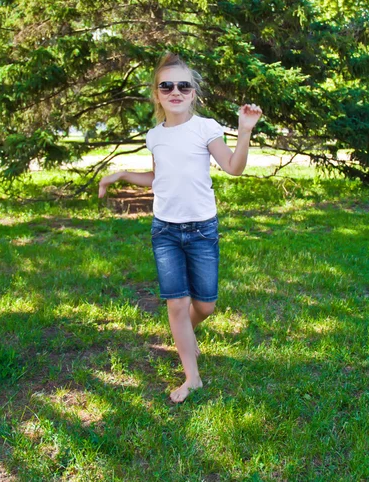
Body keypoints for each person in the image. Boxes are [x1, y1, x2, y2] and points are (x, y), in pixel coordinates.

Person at [98, 53, 262, 403]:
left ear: (193, 93)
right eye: (166, 85)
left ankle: (183, 333)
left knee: (205, 306)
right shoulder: (154, 135)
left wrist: (244, 132)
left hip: (202, 230)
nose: (175, 90)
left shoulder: (206, 128)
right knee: (177, 305)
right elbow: (158, 177)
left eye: (183, 85)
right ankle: (192, 376)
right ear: (156, 94)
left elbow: (233, 167)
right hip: (166, 232)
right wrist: (123, 174)